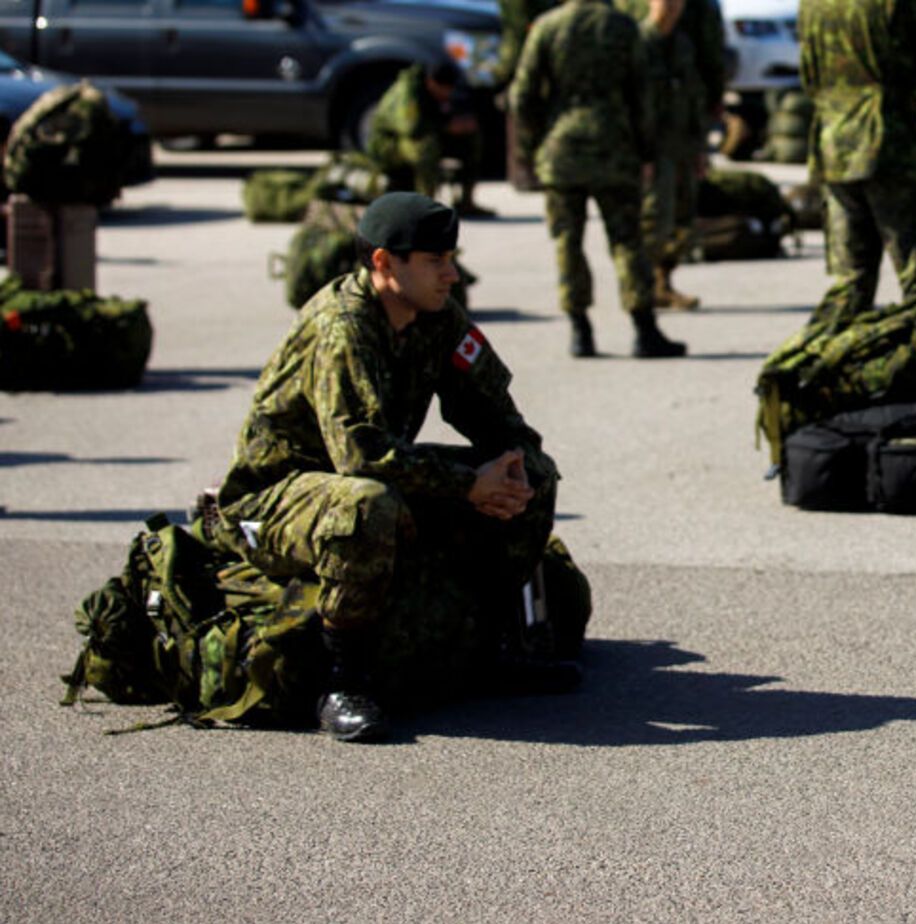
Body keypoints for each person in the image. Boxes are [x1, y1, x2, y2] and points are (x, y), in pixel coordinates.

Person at [214, 193, 579, 743]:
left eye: (451, 258)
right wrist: (466, 485)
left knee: (534, 471)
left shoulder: (435, 317)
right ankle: (345, 681)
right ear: (384, 263)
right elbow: (359, 454)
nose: (452, 275)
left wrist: (509, 467)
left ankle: (497, 645)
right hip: (275, 499)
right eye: (435, 261)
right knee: (365, 505)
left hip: (367, 478)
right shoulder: (343, 326)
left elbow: (497, 415)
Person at [512, 0, 686, 358]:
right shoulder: (624, 27)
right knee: (626, 240)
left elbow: (523, 94)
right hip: (615, 147)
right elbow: (643, 96)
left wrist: (533, 146)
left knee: (567, 241)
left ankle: (580, 330)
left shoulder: (548, 26)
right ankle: (643, 328)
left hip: (562, 151)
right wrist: (646, 150)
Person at [799, 0, 916, 326]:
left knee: (851, 281)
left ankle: (834, 363)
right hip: (890, 145)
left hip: (834, 144)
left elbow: (809, 75)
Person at [631, 0, 726, 311]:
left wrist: (701, 140)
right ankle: (644, 286)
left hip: (682, 138)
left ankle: (663, 280)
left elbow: (698, 85)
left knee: (682, 215)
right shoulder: (638, 43)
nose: (670, 8)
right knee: (652, 216)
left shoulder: (684, 44)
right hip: (652, 142)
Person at [366, 60, 493, 217]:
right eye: (444, 90)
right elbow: (411, 127)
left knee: (471, 137)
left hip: (424, 134)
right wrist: (446, 125)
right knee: (426, 148)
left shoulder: (442, 91)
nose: (447, 94)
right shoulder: (408, 91)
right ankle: (425, 208)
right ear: (431, 83)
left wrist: (461, 123)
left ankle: (466, 202)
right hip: (389, 143)